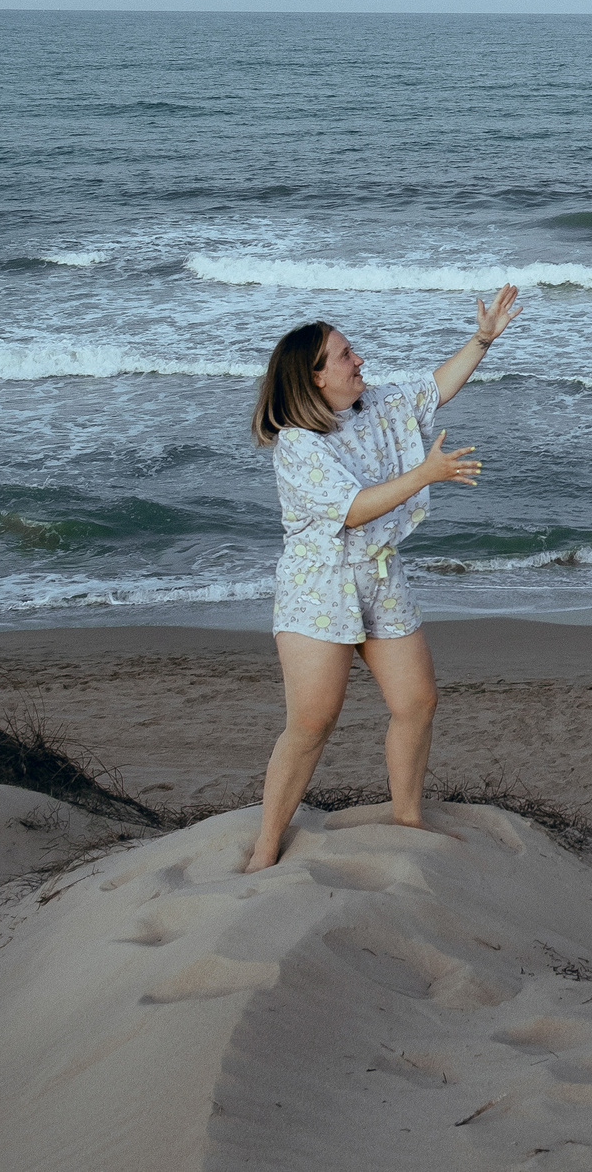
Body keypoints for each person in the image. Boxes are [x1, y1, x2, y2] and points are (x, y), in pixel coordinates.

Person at [241, 285, 522, 871]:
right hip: (319, 585)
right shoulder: (297, 445)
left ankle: (408, 818)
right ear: (315, 377)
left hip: (378, 574)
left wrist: (482, 340)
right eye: (345, 355)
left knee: (417, 701)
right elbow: (354, 508)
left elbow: (435, 388)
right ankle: (266, 846)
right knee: (312, 723)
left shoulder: (375, 408)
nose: (359, 359)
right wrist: (425, 473)